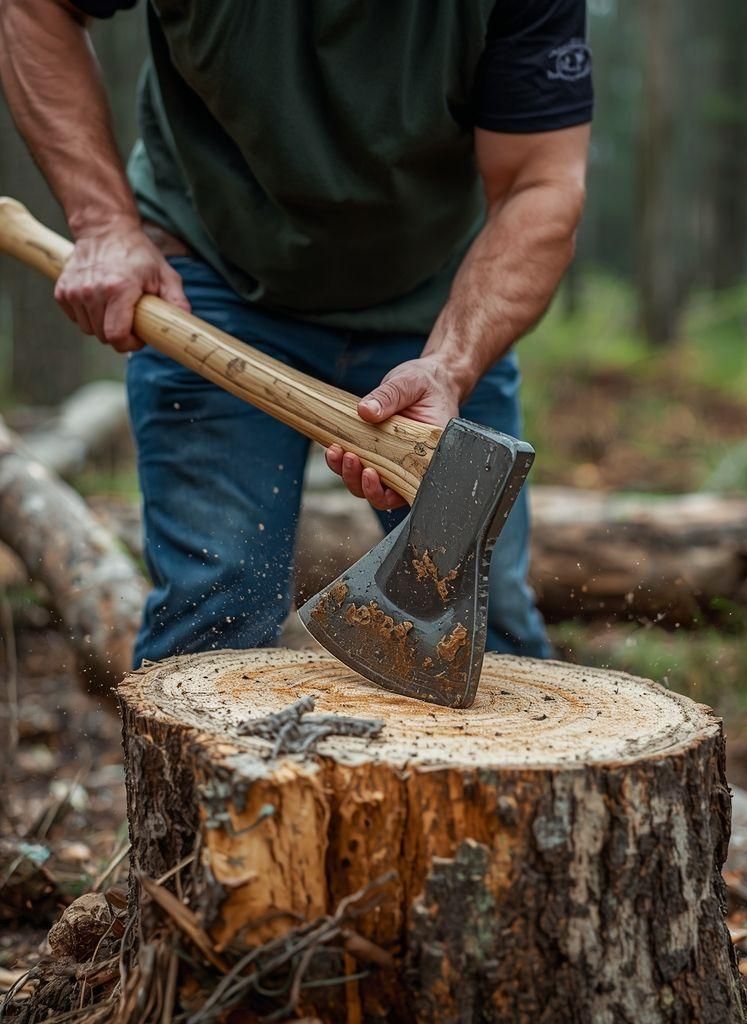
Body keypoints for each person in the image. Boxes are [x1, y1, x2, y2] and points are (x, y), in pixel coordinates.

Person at [0, 0, 592, 666]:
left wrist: (452, 364)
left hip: (439, 306)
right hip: (211, 276)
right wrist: (104, 223)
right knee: (215, 611)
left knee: (489, 629)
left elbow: (541, 182)